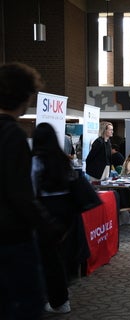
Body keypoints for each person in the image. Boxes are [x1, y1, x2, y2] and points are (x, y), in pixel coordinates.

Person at [0, 62, 46, 320]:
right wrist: (46, 225)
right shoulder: (13, 135)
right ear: (26, 96)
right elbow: (20, 192)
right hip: (12, 237)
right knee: (26, 305)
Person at [31, 122, 79, 314]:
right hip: (65, 213)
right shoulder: (62, 159)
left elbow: (31, 189)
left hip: (45, 213)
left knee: (47, 257)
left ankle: (57, 300)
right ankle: (60, 298)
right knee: (57, 256)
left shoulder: (36, 161)